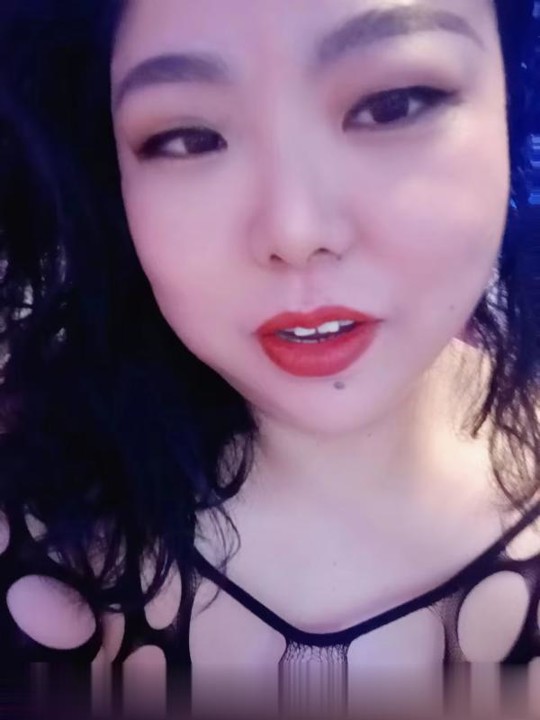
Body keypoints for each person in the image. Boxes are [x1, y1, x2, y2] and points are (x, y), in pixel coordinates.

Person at [0, 0, 539, 717]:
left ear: (513, 100)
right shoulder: (42, 533)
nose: (294, 231)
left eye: (394, 104)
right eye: (187, 137)